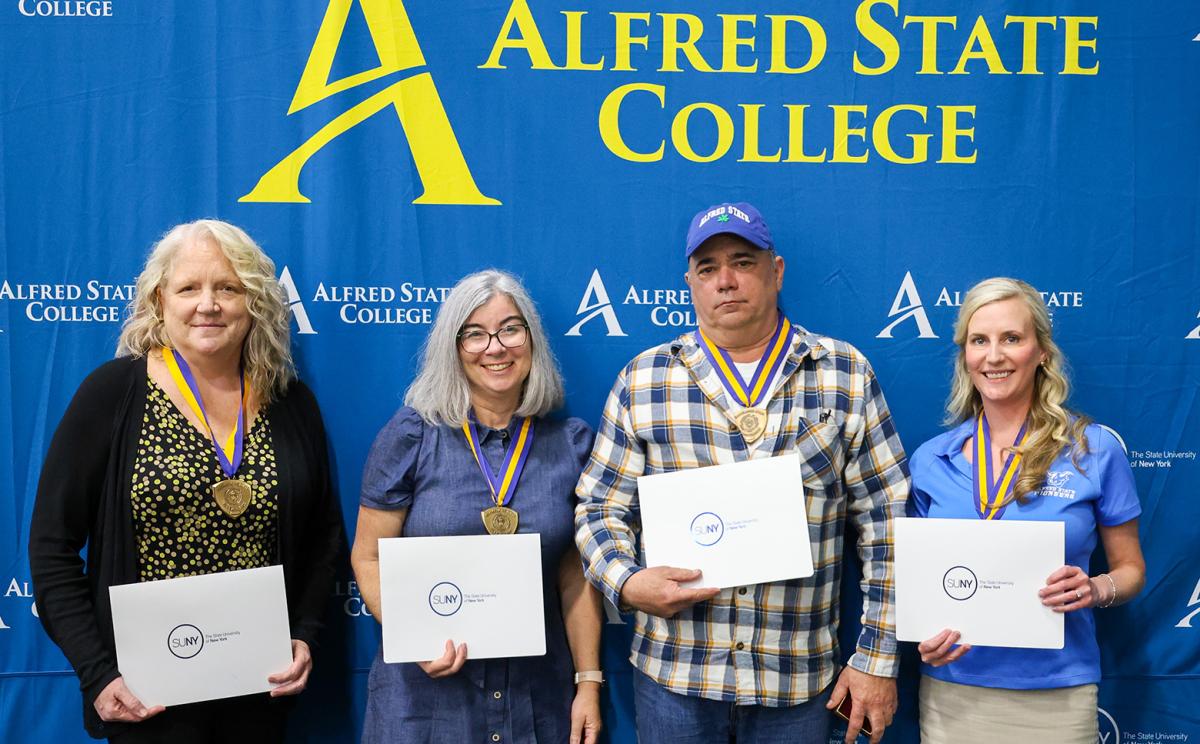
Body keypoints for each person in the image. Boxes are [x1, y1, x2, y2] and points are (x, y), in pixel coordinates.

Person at [574, 202, 909, 744]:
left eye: (742, 262)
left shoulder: (844, 373)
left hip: (796, 678)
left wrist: (876, 656)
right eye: (707, 268)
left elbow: (886, 521)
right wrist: (627, 581)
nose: (725, 280)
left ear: (776, 271)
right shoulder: (643, 380)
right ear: (690, 284)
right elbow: (599, 507)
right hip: (675, 673)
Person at [28, 220, 345, 742]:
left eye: (228, 288)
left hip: (259, 689)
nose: (208, 304)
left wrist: (305, 634)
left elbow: (323, 537)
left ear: (254, 301)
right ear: (160, 300)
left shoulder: (290, 402)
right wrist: (98, 673)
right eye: (189, 288)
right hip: (146, 697)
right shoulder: (112, 394)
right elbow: (50, 547)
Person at [351, 269, 604, 744]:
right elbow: (368, 556)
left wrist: (588, 682)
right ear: (453, 347)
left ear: (531, 340)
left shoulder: (570, 446)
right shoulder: (411, 436)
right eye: (475, 334)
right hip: (428, 700)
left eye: (510, 329)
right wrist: (414, 634)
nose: (495, 347)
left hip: (536, 697)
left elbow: (575, 575)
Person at [908, 277, 1146, 743]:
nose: (994, 356)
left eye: (1012, 338)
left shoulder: (1093, 449)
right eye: (979, 340)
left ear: (1041, 352)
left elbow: (1132, 570)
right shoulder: (931, 459)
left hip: (1059, 691)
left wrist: (1096, 588)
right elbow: (919, 580)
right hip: (953, 691)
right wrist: (923, 633)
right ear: (965, 355)